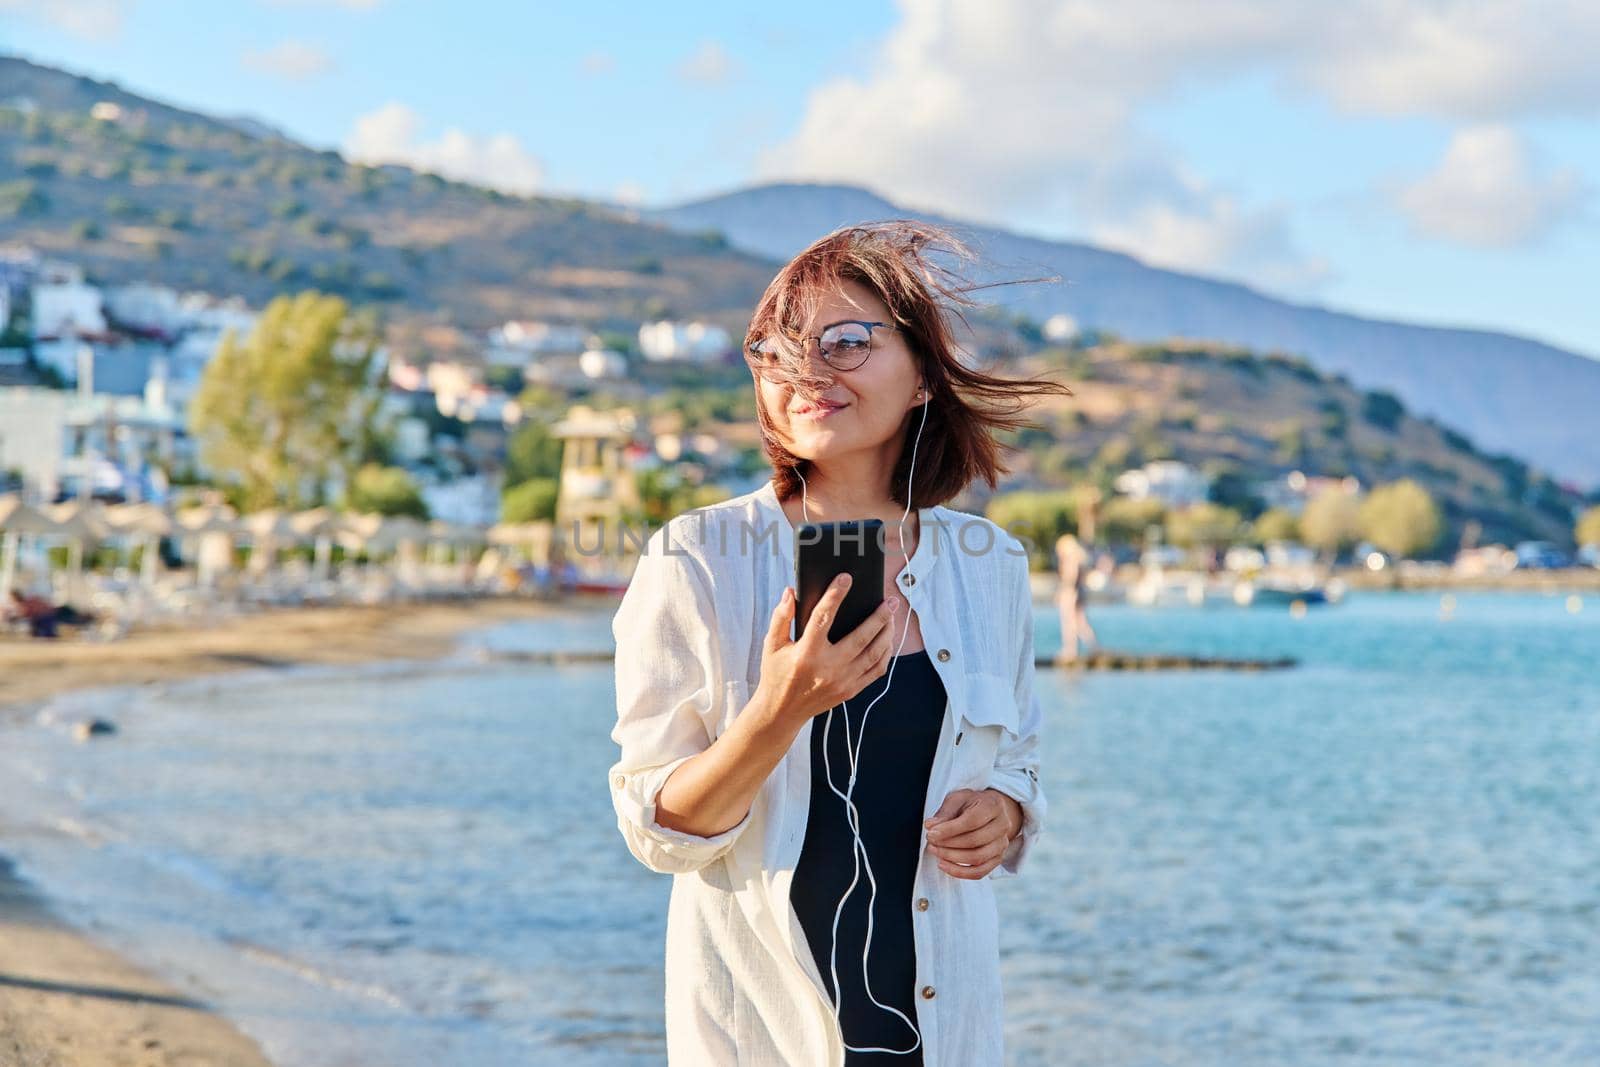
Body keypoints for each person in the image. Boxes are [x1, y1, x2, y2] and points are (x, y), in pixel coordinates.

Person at [607, 220, 1074, 1066]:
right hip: (761, 1031)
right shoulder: (699, 559)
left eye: (846, 342)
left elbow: (1020, 758)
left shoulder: (989, 566)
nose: (806, 372)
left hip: (947, 1029)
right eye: (777, 352)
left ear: (925, 376)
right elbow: (659, 829)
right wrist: (777, 712)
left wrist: (1005, 812)